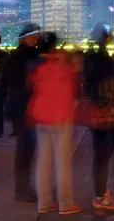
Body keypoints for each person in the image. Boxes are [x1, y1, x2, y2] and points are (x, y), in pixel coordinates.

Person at [27, 32, 81, 215]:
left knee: (43, 162)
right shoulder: (62, 66)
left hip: (41, 117)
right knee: (62, 163)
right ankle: (65, 203)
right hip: (60, 118)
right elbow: (73, 81)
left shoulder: (39, 67)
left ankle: (44, 203)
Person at [83, 25, 114, 211]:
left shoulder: (91, 59)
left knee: (101, 155)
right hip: (108, 113)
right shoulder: (105, 62)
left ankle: (100, 192)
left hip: (98, 111)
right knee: (103, 155)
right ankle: (100, 196)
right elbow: (112, 87)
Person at [6, 24, 40, 202]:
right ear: (26, 37)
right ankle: (23, 189)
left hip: (19, 107)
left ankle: (22, 188)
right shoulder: (30, 56)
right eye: (35, 35)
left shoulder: (14, 56)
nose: (37, 39)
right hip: (28, 107)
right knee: (26, 149)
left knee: (24, 149)